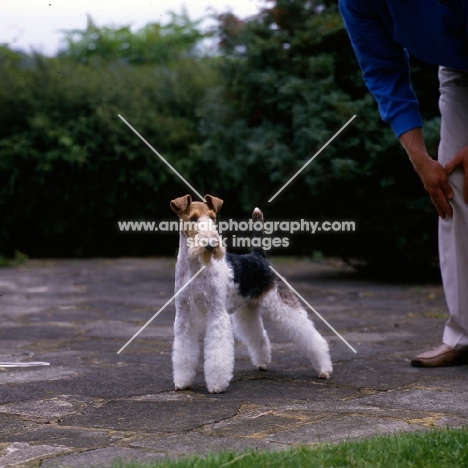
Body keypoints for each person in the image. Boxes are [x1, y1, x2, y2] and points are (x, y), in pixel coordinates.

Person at [339, 0, 468, 366]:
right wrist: (421, 161)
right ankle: (463, 336)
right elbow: (383, 71)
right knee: (453, 187)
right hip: (460, 69)